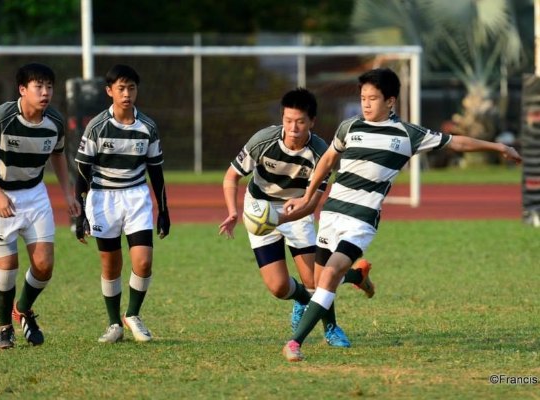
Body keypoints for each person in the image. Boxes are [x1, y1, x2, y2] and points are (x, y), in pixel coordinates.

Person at [282, 68, 523, 361]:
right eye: (363, 98)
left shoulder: (407, 134)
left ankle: (295, 343)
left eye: (373, 98)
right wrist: (308, 196)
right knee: (318, 282)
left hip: (361, 220)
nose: (366, 104)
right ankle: (357, 278)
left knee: (329, 275)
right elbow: (329, 160)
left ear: (391, 101)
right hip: (332, 214)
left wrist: (497, 146)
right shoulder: (349, 127)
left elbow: (455, 141)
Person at [218, 88, 375, 348]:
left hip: (296, 211)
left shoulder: (321, 153)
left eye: (300, 122)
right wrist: (234, 211)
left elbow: (312, 204)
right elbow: (231, 176)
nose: (293, 128)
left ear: (312, 122)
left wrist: (278, 218)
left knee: (316, 280)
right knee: (279, 287)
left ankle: (331, 329)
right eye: (288, 121)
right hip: (259, 208)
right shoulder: (263, 141)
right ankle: (350, 278)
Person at [0, 62, 81, 349]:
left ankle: (23, 310)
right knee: (7, 268)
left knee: (44, 266)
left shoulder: (54, 120)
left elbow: (57, 155)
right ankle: (4, 327)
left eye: (49, 86)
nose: (45, 92)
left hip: (34, 193)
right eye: (38, 86)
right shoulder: (1, 117)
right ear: (23, 89)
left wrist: (68, 194)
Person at [74, 64, 170, 344]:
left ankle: (133, 315)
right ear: (109, 92)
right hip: (103, 198)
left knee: (143, 262)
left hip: (136, 197)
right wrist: (80, 214)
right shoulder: (97, 127)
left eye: (131, 88)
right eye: (121, 88)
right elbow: (81, 170)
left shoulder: (148, 127)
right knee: (111, 266)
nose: (127, 93)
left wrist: (164, 210)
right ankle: (114, 324)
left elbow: (157, 172)